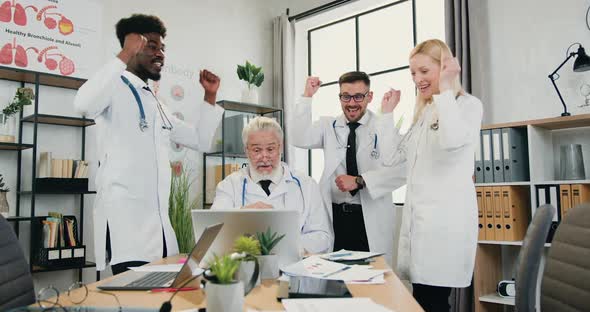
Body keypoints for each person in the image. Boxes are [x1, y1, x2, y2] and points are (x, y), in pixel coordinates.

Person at [73, 14, 224, 275]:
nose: (161, 54)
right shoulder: (114, 86)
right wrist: (123, 55)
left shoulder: (155, 102)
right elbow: (83, 105)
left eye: (162, 48)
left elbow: (199, 140)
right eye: (152, 46)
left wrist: (209, 96)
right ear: (131, 47)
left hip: (161, 232)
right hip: (128, 231)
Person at [376, 39, 483, 312]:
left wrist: (445, 89)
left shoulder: (466, 105)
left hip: (443, 226)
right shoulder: (424, 113)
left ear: (445, 67)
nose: (417, 80)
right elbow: (390, 158)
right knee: (423, 299)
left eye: (424, 71)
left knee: (433, 302)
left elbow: (451, 140)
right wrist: (386, 115)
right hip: (420, 225)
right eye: (413, 73)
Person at [289, 72, 405, 265]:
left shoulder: (382, 126)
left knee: (371, 280)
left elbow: (400, 170)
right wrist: (307, 96)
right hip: (335, 218)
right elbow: (298, 137)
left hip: (369, 219)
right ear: (340, 97)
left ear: (370, 96)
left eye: (359, 96)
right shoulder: (329, 126)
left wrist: (360, 180)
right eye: (346, 96)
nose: (351, 103)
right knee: (335, 280)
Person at [211, 117, 333, 254]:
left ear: (280, 147)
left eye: (270, 149)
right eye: (256, 150)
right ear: (246, 151)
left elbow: (323, 237)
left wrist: (283, 245)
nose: (264, 157)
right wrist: (243, 211)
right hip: (246, 267)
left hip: (294, 265)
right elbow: (213, 228)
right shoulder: (229, 185)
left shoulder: (306, 185)